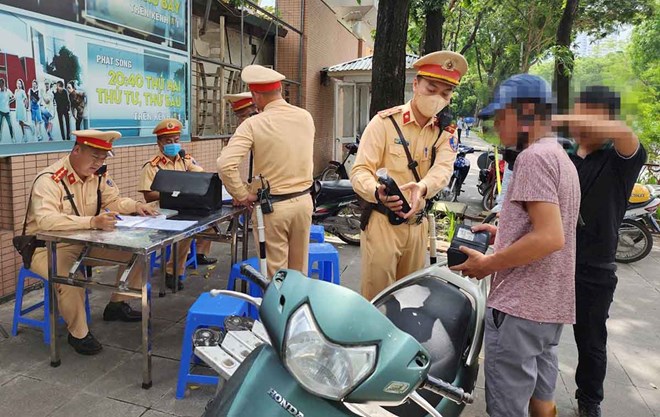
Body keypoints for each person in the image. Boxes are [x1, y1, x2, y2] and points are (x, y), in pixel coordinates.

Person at [451, 74, 580, 417]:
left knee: (508, 407)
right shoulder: (560, 156)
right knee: (542, 398)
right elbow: (549, 225)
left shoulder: (533, 158)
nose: (496, 125)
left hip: (521, 307)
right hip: (550, 307)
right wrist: (502, 233)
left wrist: (487, 264)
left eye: (500, 116)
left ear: (525, 112)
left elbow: (550, 237)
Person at [554, 86, 647, 417]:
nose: (580, 122)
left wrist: (556, 116)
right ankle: (534, 391)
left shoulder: (621, 160)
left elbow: (623, 133)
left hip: (593, 269)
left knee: (591, 343)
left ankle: (589, 401)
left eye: (589, 114)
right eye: (578, 112)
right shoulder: (562, 157)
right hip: (551, 262)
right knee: (536, 335)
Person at [26, 129, 158, 355]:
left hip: (86, 240)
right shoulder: (49, 179)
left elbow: (113, 200)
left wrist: (136, 206)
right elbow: (46, 221)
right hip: (49, 246)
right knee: (69, 276)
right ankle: (78, 334)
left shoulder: (98, 176)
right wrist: (92, 221)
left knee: (138, 254)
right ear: (76, 150)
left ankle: (117, 304)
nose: (99, 162)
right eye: (94, 156)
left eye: (104, 157)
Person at [350, 50, 465, 300]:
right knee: (377, 296)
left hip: (418, 224)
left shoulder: (446, 132)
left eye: (445, 94)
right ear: (415, 84)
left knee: (408, 298)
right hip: (382, 223)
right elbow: (360, 170)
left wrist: (422, 188)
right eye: (431, 88)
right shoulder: (384, 123)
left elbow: (443, 170)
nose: (437, 98)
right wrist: (376, 192)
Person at [217, 65, 314, 278]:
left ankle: (277, 311)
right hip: (304, 202)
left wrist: (242, 194)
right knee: (299, 272)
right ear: (279, 90)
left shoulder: (254, 124)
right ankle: (297, 310)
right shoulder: (305, 117)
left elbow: (225, 163)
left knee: (276, 275)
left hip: (273, 208)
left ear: (255, 95)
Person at [137, 118, 217, 290]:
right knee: (184, 234)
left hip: (183, 209)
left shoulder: (185, 160)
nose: (173, 144)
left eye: (176, 141)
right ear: (159, 144)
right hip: (161, 212)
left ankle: (193, 259)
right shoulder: (152, 166)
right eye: (168, 141)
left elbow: (202, 177)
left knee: (208, 222)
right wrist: (173, 195)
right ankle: (173, 272)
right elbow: (148, 195)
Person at [0, 78, 15, 143]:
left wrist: (9, 102)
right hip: (0, 111)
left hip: (7, 112)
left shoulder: (8, 91)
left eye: (2, 84)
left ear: (4, 84)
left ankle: (12, 138)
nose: (1, 86)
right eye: (0, 85)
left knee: (10, 125)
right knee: (0, 125)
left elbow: (13, 97)